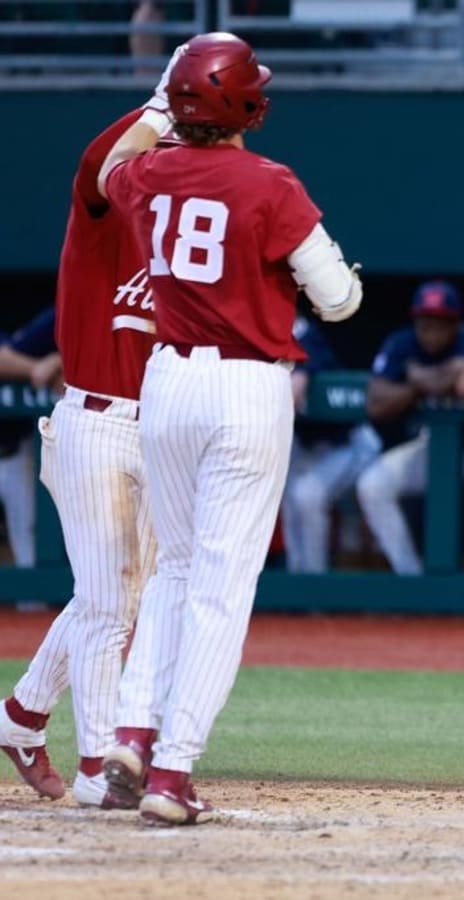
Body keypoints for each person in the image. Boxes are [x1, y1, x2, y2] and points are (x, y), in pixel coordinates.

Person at [97, 31, 363, 826]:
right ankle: (173, 772)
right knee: (221, 584)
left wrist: (156, 108)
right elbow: (340, 302)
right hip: (247, 384)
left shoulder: (147, 172)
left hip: (168, 378)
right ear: (247, 103)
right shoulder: (271, 182)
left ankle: (130, 732)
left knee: (175, 568)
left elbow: (110, 172)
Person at [0, 53, 179, 808]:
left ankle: (21, 714)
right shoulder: (101, 214)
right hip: (96, 422)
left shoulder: (184, 242)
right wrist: (166, 105)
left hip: (162, 431)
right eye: (159, 157)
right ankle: (100, 765)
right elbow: (98, 161)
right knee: (110, 604)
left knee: (118, 596)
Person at [355, 281, 464, 577]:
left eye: (440, 322)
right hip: (435, 445)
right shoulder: (402, 343)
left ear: (455, 322)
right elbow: (377, 403)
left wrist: (416, 379)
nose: (431, 330)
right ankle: (410, 580)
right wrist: (428, 381)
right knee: (373, 485)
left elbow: (462, 383)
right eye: (425, 320)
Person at [282, 315, 381, 573]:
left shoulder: (301, 331)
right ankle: (297, 578)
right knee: (291, 501)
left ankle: (312, 586)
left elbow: (293, 392)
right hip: (309, 443)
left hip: (351, 441)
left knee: (307, 496)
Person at [0, 309, 60, 575]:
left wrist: (57, 360)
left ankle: (32, 608)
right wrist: (37, 366)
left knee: (29, 545)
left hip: (14, 452)